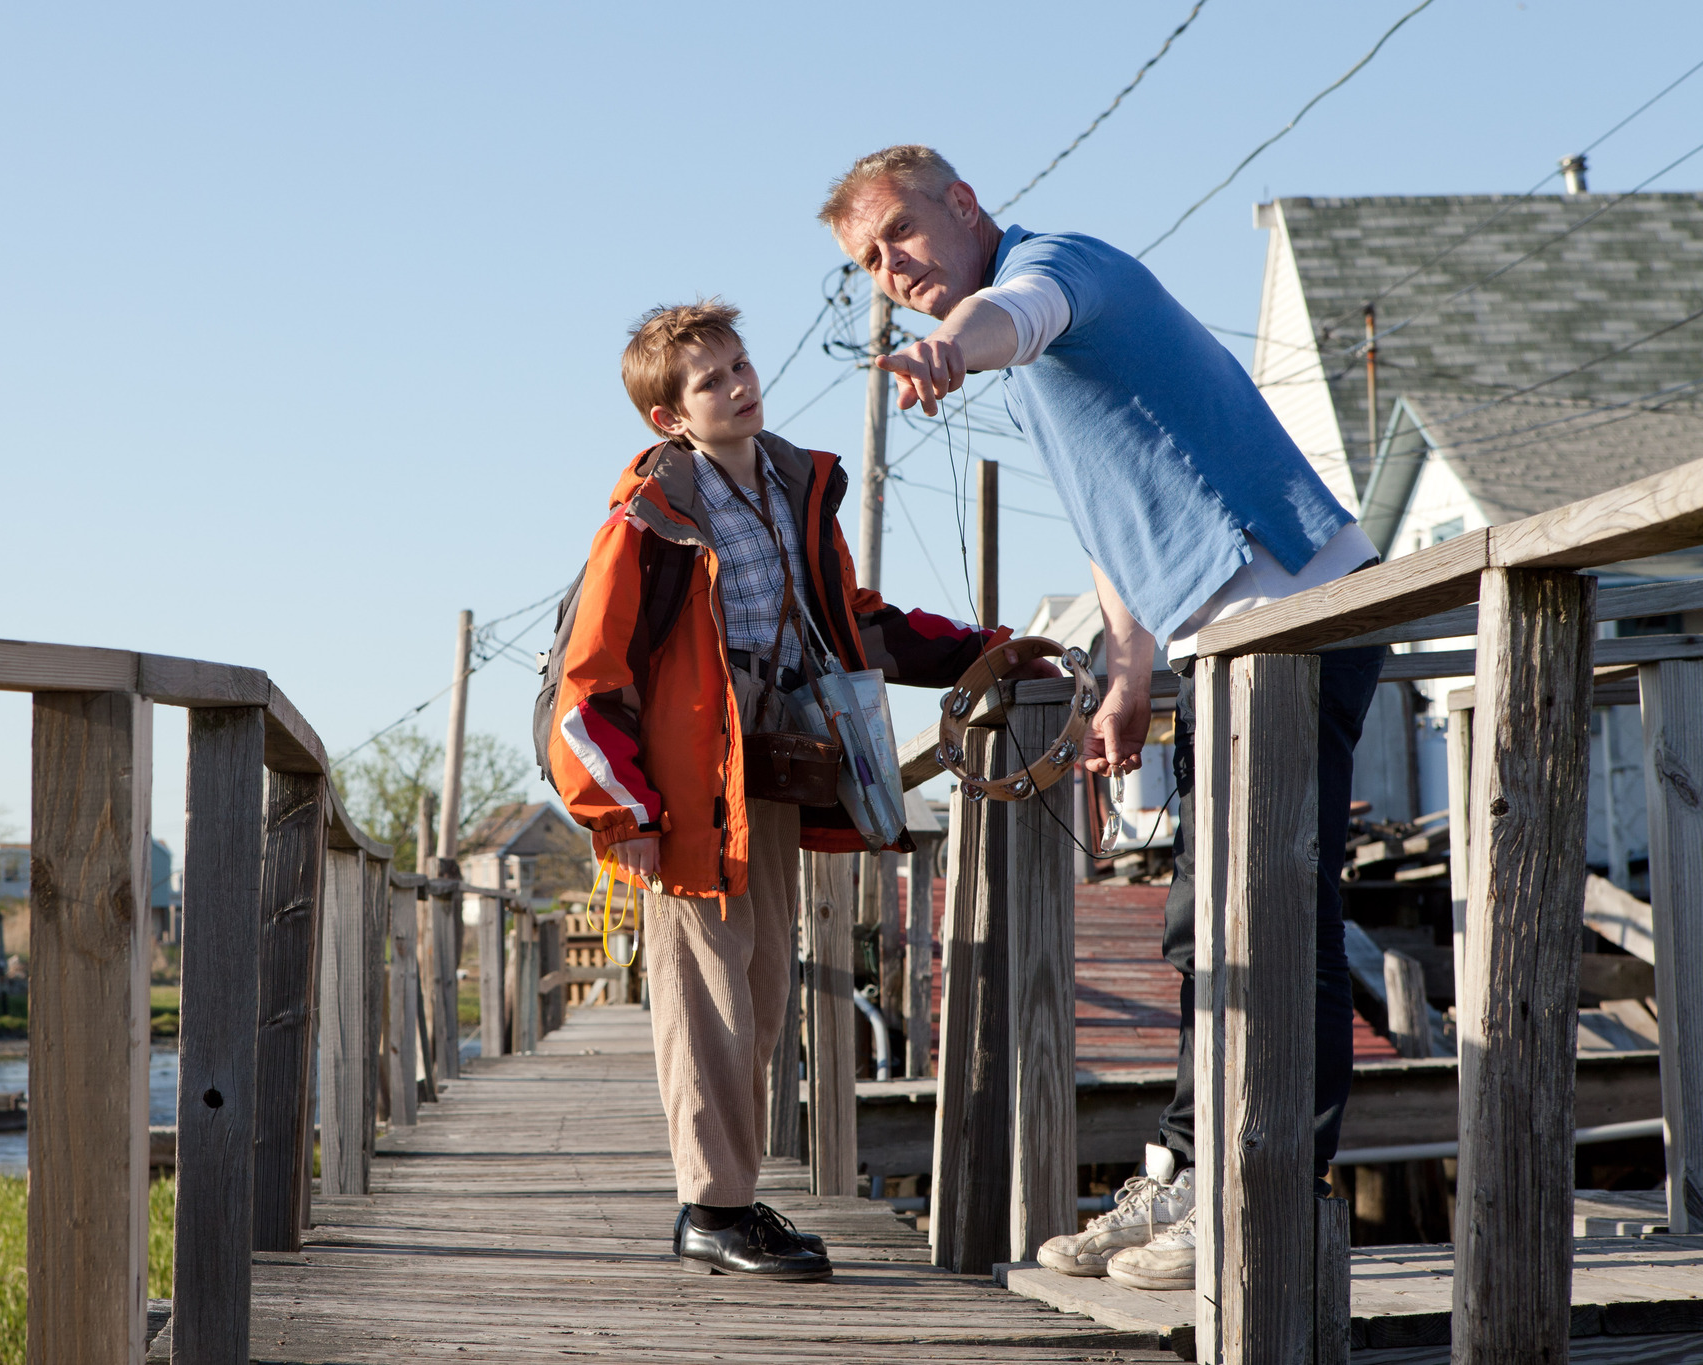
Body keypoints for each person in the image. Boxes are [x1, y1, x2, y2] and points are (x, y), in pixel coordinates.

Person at [819, 146, 1386, 1292]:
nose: (891, 270)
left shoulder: (1059, 266)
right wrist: (1125, 673)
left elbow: (1010, 316)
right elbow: (1109, 530)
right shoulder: (1038, 361)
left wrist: (944, 348)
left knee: (1272, 916)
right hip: (1222, 641)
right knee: (1200, 921)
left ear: (963, 204)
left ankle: (1258, 1191)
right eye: (868, 263)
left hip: (1297, 610)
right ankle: (1189, 1170)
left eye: (901, 237)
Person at [548, 300, 1045, 1280]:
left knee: (763, 982)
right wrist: (627, 816)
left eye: (739, 364)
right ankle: (710, 1207)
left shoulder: (791, 485)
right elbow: (589, 681)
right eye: (710, 379)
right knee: (703, 995)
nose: (739, 383)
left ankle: (731, 1195)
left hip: (771, 756)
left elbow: (851, 622)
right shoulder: (647, 516)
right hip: (683, 782)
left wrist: (984, 649)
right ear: (668, 417)